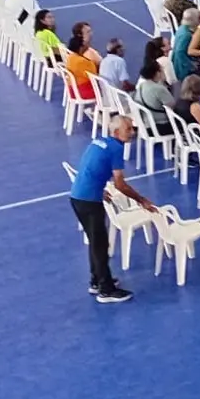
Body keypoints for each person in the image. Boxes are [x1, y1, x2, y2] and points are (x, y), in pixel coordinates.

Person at [71, 117, 156, 302]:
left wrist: (99, 189)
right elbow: (119, 184)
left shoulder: (99, 142)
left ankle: (97, 280)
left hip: (78, 197)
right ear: (116, 132)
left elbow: (89, 166)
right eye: (128, 129)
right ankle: (106, 290)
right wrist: (141, 200)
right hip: (89, 201)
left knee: (95, 242)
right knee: (100, 245)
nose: (132, 132)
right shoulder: (117, 148)